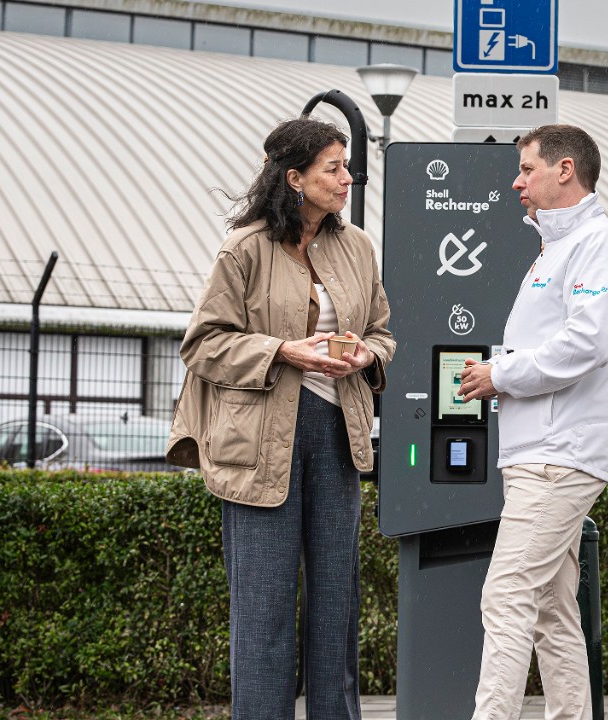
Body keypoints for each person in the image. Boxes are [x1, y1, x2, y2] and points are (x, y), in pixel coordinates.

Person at [166, 117, 395, 720]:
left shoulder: (358, 246)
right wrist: (282, 351)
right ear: (294, 178)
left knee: (336, 603)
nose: (348, 178)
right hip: (258, 445)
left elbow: (382, 332)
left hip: (337, 436)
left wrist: (368, 354)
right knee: (263, 609)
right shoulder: (244, 248)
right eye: (334, 168)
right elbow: (203, 344)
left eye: (347, 167)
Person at [457, 124, 608, 720]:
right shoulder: (559, 248)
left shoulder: (597, 244)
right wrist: (501, 374)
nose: (517, 182)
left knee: (506, 594)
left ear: (565, 170)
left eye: (526, 168)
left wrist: (501, 374)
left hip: (558, 457)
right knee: (552, 612)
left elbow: (588, 342)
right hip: (543, 455)